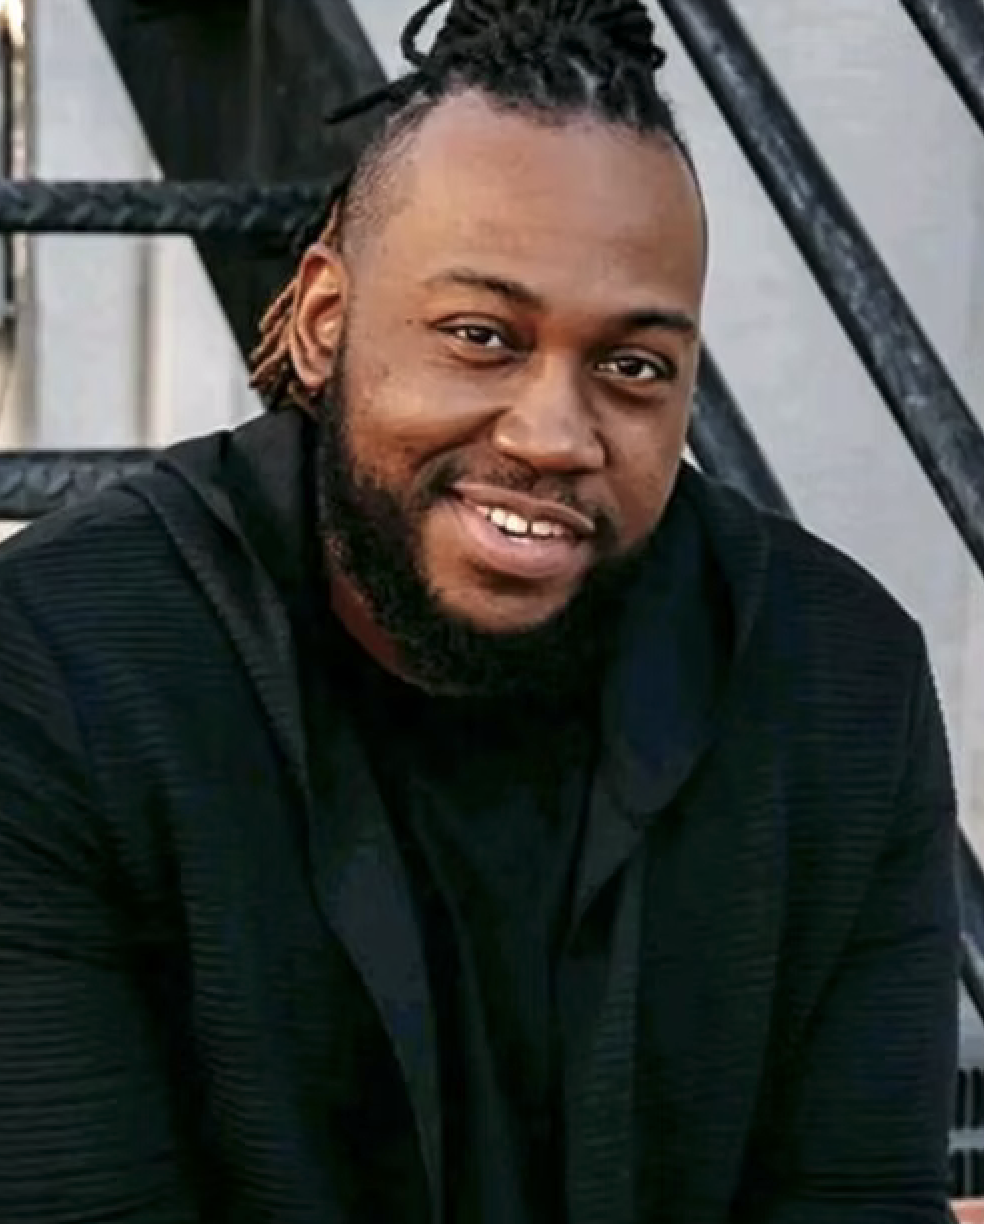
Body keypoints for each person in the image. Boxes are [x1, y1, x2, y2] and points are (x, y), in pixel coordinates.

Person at [0, 0, 959, 1221]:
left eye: (633, 366)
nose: (554, 435)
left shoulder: (838, 685)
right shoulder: (63, 670)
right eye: (480, 336)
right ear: (321, 317)